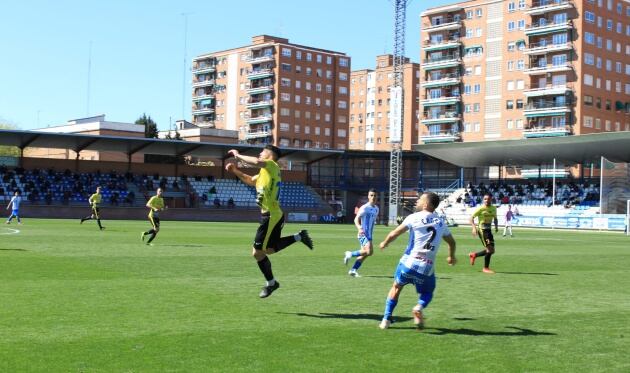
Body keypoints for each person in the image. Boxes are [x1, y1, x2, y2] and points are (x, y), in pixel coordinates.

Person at [225, 145, 313, 298]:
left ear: (270, 155)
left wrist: (238, 156)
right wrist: (235, 171)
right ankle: (299, 237)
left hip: (271, 216)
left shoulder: (272, 165)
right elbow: (249, 180)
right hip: (273, 215)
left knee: (257, 253)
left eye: (262, 151)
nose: (260, 153)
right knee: (269, 250)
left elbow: (257, 161)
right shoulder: (265, 172)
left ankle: (271, 283)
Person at [377, 192, 456, 330]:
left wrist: (385, 242)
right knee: (427, 293)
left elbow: (394, 233)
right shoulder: (440, 222)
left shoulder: (413, 217)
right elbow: (451, 242)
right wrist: (451, 256)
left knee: (396, 287)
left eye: (420, 199)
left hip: (409, 263)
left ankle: (386, 319)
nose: (417, 201)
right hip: (427, 267)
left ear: (426, 204)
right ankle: (419, 307)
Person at [343, 189, 379, 277]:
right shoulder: (364, 207)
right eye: (371, 195)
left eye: (374, 195)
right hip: (363, 234)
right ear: (368, 196)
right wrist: (359, 228)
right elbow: (356, 219)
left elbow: (373, 221)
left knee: (365, 253)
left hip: (369, 234)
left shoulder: (376, 209)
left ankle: (353, 270)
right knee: (369, 252)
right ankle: (350, 254)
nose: (373, 197)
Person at [469, 194, 498, 274]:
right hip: (482, 231)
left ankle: (474, 255)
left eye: (488, 199)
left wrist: (496, 227)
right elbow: (471, 218)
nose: (486, 200)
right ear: (483, 200)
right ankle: (485, 268)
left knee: (492, 251)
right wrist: (474, 228)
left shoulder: (493, 208)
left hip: (489, 231)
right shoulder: (481, 209)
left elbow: (495, 218)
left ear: (491, 199)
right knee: (489, 250)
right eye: (485, 199)